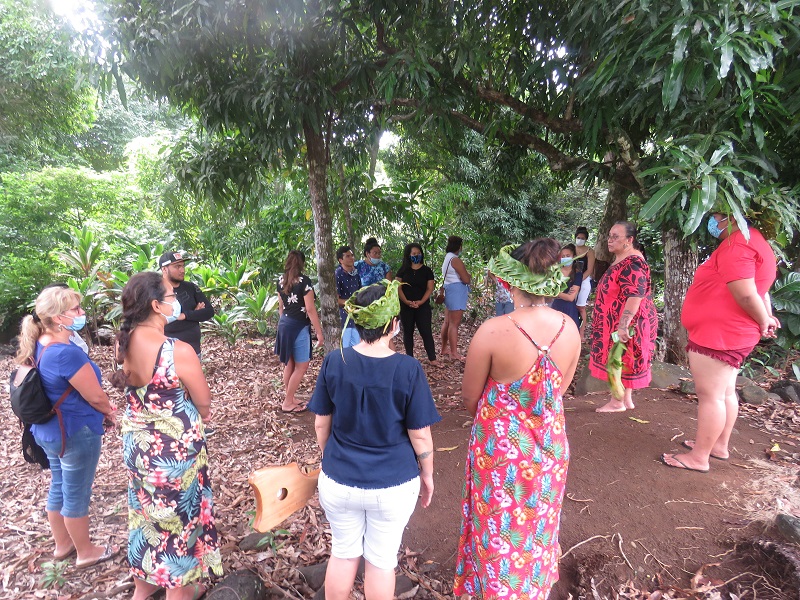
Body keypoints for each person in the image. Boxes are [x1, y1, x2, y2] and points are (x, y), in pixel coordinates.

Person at [454, 240, 581, 600]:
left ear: (510, 281)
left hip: (501, 454)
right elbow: (557, 391)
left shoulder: (493, 331)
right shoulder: (570, 328)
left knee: (499, 529)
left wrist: (502, 416)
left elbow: (470, 398)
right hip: (550, 447)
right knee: (537, 527)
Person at [308, 280, 440, 600]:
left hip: (339, 480)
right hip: (393, 484)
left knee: (343, 553)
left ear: (358, 323)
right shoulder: (408, 369)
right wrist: (427, 474)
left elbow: (321, 422)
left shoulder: (335, 360)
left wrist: (330, 458)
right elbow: (420, 435)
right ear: (394, 324)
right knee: (381, 561)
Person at [111, 271, 222, 599]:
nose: (177, 302)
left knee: (145, 515)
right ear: (157, 306)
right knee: (180, 526)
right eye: (172, 297)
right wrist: (200, 412)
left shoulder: (122, 342)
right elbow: (203, 400)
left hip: (138, 448)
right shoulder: (177, 350)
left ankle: (143, 589)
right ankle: (179, 591)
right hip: (174, 454)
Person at [662, 213, 778, 473]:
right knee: (724, 391)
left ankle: (699, 457)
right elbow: (760, 288)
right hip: (728, 331)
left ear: (732, 216)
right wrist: (766, 317)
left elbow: (747, 294)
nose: (712, 220)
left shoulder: (738, 245)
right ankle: (718, 445)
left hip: (721, 334)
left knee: (710, 396)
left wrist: (764, 320)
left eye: (716, 215)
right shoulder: (752, 240)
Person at [14, 286, 117, 568]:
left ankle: (63, 545)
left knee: (59, 485)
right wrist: (109, 412)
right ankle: (86, 552)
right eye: (76, 309)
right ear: (59, 318)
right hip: (74, 431)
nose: (82, 313)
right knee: (76, 492)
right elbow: (95, 396)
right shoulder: (65, 353)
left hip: (48, 431)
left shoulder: (40, 341)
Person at [588, 221, 658, 413]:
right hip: (620, 320)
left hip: (628, 321)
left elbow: (635, 295)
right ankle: (626, 399)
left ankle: (616, 402)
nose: (610, 240)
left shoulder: (632, 263)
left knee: (617, 358)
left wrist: (623, 324)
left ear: (629, 240)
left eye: (615, 237)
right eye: (609, 236)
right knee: (624, 358)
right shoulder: (623, 259)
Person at [274, 250, 324, 412]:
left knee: (290, 363)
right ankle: (288, 402)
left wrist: (285, 323)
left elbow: (281, 307)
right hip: (299, 326)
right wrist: (319, 333)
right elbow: (310, 309)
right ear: (302, 263)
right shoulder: (304, 282)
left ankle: (290, 397)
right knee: (302, 366)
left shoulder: (281, 281)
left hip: (284, 324)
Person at [159, 251, 215, 356]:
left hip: (194, 351)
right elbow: (160, 323)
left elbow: (209, 312)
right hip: (168, 355)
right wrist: (195, 314)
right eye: (177, 266)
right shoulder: (156, 292)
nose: (182, 270)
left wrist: (185, 315)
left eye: (183, 266)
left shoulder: (191, 287)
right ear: (164, 269)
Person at [396, 243, 441, 367]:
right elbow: (397, 287)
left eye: (419, 253)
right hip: (406, 306)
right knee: (408, 332)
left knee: (426, 332)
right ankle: (409, 358)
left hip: (423, 307)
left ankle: (432, 359)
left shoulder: (427, 270)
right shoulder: (403, 270)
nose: (417, 256)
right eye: (414, 254)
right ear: (408, 255)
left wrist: (421, 301)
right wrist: (406, 301)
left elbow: (430, 288)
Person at [439, 235, 472, 361]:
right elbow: (466, 279)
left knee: (447, 322)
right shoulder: (455, 259)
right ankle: (454, 352)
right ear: (459, 246)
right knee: (454, 324)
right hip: (457, 291)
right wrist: (468, 276)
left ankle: (444, 348)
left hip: (449, 289)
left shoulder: (447, 258)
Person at [334, 245, 362, 348]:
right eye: (348, 256)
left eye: (352, 255)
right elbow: (336, 300)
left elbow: (360, 292)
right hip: (343, 319)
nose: (351, 258)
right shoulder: (337, 274)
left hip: (356, 318)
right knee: (344, 348)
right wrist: (350, 302)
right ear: (340, 260)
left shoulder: (356, 274)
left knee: (356, 348)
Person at [551, 243, 582, 329]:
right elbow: (548, 293)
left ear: (574, 256)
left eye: (568, 256)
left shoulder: (577, 274)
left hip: (569, 309)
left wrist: (556, 293)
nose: (565, 258)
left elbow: (571, 298)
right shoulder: (555, 271)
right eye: (563, 256)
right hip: (556, 307)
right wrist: (563, 294)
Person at [574, 226, 596, 340]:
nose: (580, 240)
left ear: (586, 239)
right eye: (578, 237)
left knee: (581, 307)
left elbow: (589, 269)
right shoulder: (571, 249)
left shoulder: (590, 251)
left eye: (582, 238)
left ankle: (581, 332)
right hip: (571, 279)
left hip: (584, 280)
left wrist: (579, 280)